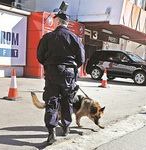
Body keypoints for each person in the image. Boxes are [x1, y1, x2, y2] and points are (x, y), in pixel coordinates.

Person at [37, 11, 85, 144]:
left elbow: (40, 55)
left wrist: (49, 64)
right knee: (67, 100)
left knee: (51, 100)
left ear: (57, 22)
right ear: (67, 23)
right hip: (69, 72)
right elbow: (81, 58)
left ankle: (52, 131)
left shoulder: (48, 37)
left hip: (52, 70)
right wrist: (73, 67)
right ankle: (66, 127)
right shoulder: (75, 37)